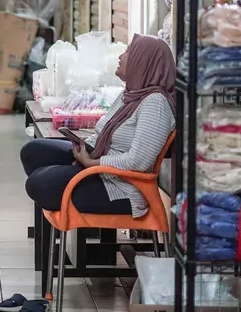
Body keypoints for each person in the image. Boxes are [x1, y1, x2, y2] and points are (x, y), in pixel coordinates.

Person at [20, 34, 176, 217]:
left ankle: (67, 194)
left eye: (128, 52)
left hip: (121, 187)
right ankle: (65, 185)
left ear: (143, 62)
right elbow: (104, 132)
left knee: (39, 184)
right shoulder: (132, 93)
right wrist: (85, 147)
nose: (120, 57)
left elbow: (139, 162)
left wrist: (92, 162)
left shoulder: (155, 103)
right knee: (34, 152)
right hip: (101, 167)